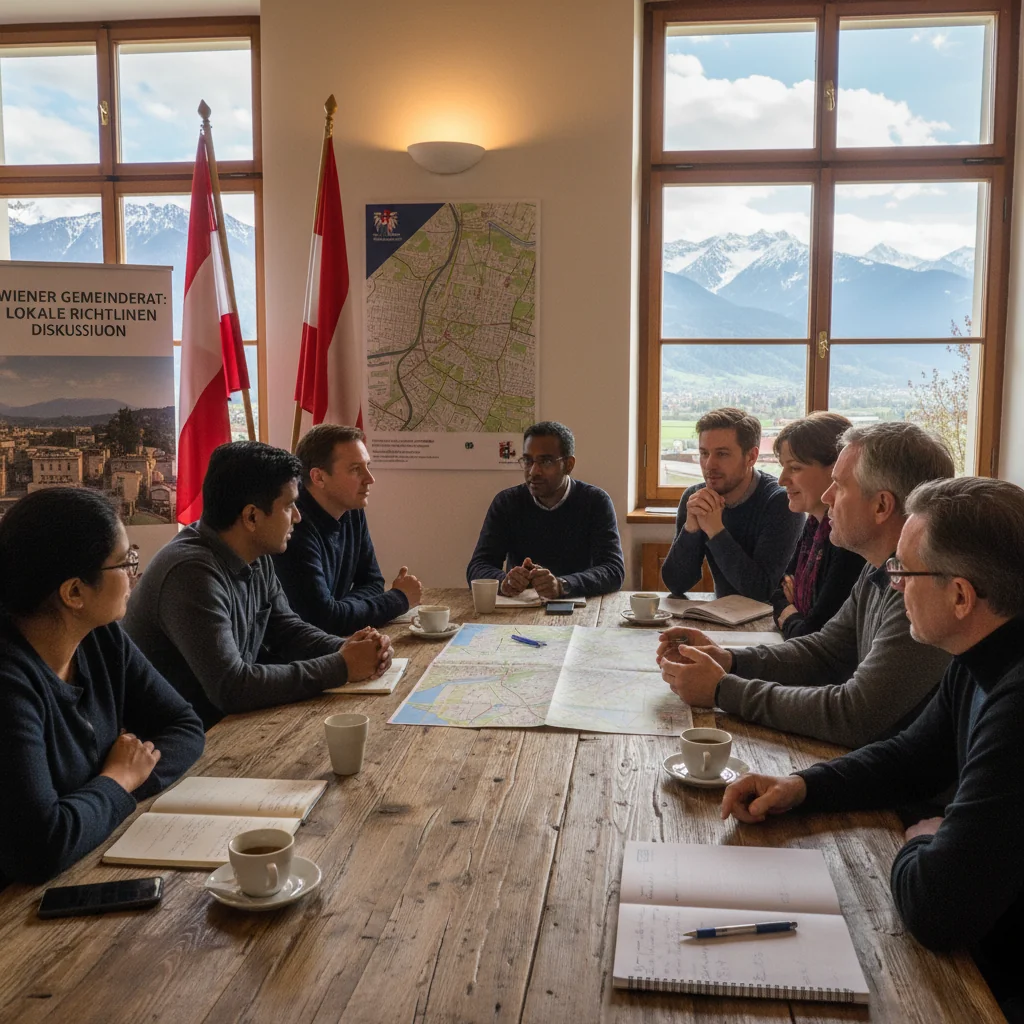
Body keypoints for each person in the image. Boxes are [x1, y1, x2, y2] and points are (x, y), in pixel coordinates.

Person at [719, 477, 1024, 1021]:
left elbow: (937, 908)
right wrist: (803, 786)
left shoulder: (1016, 700)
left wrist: (921, 836)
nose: (893, 582)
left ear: (961, 596)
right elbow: (909, 756)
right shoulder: (979, 655)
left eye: (904, 571)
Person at [657, 422, 955, 748]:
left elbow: (853, 715)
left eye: (839, 487)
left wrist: (721, 689)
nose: (828, 496)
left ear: (882, 505)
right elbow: (824, 652)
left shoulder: (921, 589)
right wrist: (727, 659)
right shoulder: (878, 567)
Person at [0, 489, 205, 885]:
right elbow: (39, 849)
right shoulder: (9, 683)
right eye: (125, 561)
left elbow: (184, 725)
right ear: (74, 592)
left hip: (91, 858)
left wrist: (110, 796)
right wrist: (117, 781)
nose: (134, 573)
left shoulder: (101, 636)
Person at [124, 441, 392, 730]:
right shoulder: (190, 573)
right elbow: (232, 687)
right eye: (289, 506)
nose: (298, 517)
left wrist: (349, 648)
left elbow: (287, 630)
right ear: (251, 516)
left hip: (223, 728)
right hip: (173, 746)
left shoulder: (254, 552)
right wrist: (342, 666)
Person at [273, 424, 422, 635]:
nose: (370, 479)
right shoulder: (293, 524)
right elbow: (324, 620)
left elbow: (373, 581)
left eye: (367, 466)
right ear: (319, 478)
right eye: (355, 469)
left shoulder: (351, 509)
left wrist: (341, 609)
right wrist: (399, 598)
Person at [466, 421, 624, 598]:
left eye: (546, 461)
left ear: (569, 465)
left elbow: (613, 570)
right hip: (519, 610)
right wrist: (504, 581)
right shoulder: (507, 502)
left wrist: (562, 585)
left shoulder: (595, 502)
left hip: (579, 608)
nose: (534, 471)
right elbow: (478, 566)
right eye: (527, 461)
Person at [661, 407, 804, 602]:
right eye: (704, 453)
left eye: (722, 454)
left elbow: (762, 592)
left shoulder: (780, 503)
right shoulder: (695, 498)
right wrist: (691, 529)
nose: (709, 464)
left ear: (751, 457)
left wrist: (716, 530)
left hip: (772, 624)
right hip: (722, 619)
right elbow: (676, 584)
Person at [770, 412, 865, 638]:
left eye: (794, 468)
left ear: (835, 470)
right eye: (782, 467)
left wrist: (790, 617)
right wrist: (793, 614)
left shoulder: (848, 542)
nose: (781, 480)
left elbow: (813, 633)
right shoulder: (815, 524)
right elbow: (777, 593)